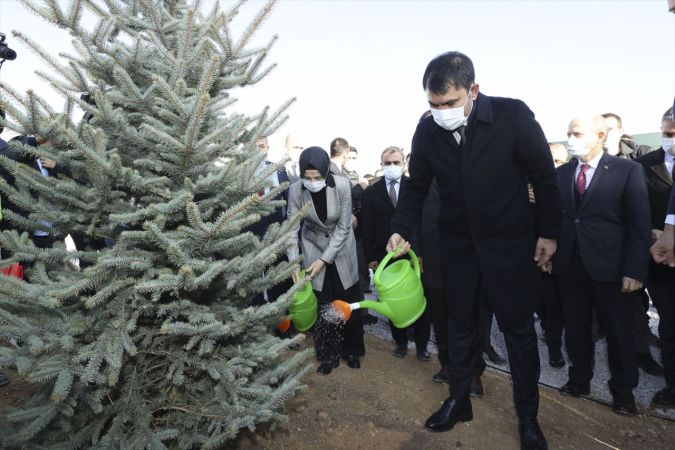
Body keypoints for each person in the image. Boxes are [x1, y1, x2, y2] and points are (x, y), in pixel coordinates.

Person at [388, 52, 560, 449]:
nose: (441, 112)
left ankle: (528, 419)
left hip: (510, 246)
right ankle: (459, 399)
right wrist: (400, 229)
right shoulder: (428, 132)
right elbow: (415, 188)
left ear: (474, 91)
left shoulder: (512, 117)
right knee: (460, 328)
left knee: (518, 332)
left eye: (449, 103)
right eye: (433, 105)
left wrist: (549, 234)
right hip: (460, 249)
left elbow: (544, 178)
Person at [552, 116, 651, 416]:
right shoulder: (563, 173)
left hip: (612, 269)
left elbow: (639, 224)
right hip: (571, 266)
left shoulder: (627, 171)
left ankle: (623, 392)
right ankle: (579, 379)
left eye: (577, 133)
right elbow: (560, 219)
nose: (571, 138)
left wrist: (635, 270)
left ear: (599, 135)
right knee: (577, 329)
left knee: (619, 333)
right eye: (569, 133)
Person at [286, 147, 364, 375]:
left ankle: (351, 349)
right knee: (324, 301)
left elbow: (343, 227)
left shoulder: (341, 185)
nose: (312, 182)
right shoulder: (295, 190)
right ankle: (327, 354)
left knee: (348, 298)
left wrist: (324, 260)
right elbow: (290, 228)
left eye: (318, 177)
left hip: (341, 248)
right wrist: (293, 262)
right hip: (312, 246)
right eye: (307, 178)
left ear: (326, 172)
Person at [601, 113, 663, 376]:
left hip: (654, 240)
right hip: (619, 245)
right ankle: (640, 353)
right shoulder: (590, 162)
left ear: (621, 130)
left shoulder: (642, 156)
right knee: (633, 301)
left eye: (610, 129)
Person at [361, 146, 431, 360]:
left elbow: (421, 222)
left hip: (413, 254)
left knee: (419, 297)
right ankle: (400, 342)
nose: (392, 166)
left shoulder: (416, 188)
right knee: (392, 300)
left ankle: (422, 346)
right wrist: (371, 257)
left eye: (396, 162)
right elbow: (367, 226)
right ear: (381, 164)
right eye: (388, 163)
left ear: (404, 164)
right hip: (385, 256)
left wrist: (419, 252)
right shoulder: (372, 191)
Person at [636, 107, 675, 408]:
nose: (670, 139)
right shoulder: (643, 166)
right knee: (669, 325)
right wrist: (648, 230)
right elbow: (632, 207)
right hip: (660, 261)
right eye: (667, 132)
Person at [249, 136, 292, 307]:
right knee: (255, 279)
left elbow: (289, 203)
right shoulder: (241, 172)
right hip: (251, 233)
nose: (258, 151)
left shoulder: (279, 171)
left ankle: (280, 320)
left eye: (261, 146)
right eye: (254, 147)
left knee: (277, 278)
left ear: (267, 148)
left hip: (276, 232)